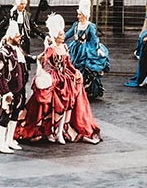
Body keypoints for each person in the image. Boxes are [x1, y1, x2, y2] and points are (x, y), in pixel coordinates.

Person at [17, 12, 102, 145]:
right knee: (53, 104)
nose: (64, 36)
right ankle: (51, 130)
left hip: (65, 77)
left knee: (68, 103)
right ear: (56, 36)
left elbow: (68, 64)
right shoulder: (51, 49)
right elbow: (42, 61)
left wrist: (76, 72)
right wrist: (40, 73)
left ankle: (60, 130)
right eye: (61, 34)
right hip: (55, 77)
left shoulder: (64, 47)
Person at [0, 11, 31, 154]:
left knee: (15, 114)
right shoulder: (2, 53)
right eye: (17, 36)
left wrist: (39, 57)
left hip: (19, 89)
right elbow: (0, 76)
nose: (20, 38)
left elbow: (26, 59)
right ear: (9, 37)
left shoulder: (17, 49)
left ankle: (9, 139)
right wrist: (5, 92)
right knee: (5, 116)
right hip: (8, 91)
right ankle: (0, 142)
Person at [66, 0, 111, 102]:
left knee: (86, 68)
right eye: (78, 15)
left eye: (80, 15)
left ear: (85, 15)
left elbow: (94, 39)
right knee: (74, 67)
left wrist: (96, 49)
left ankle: (88, 89)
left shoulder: (90, 26)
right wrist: (57, 40)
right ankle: (77, 89)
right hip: (76, 48)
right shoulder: (76, 25)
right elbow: (68, 34)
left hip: (86, 49)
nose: (78, 17)